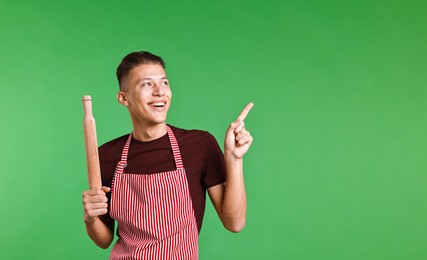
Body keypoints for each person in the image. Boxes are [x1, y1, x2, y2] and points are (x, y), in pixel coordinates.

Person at [82, 51, 253, 259]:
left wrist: (234, 160)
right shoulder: (108, 155)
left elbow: (234, 223)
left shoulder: (200, 146)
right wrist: (91, 219)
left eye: (164, 83)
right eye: (146, 84)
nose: (159, 92)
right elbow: (104, 240)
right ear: (123, 98)